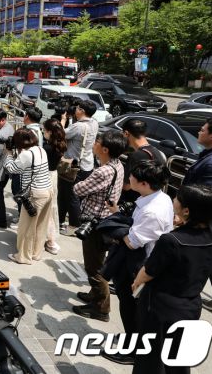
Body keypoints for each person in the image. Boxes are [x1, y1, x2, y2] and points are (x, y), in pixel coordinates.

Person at [131, 184, 212, 374]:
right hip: (190, 305)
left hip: (161, 306)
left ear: (186, 210)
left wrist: (137, 282)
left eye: (178, 198)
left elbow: (149, 271)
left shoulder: (171, 240)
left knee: (150, 359)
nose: (174, 200)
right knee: (178, 358)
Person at [101, 161, 173, 365]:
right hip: (139, 262)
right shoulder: (159, 197)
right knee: (131, 308)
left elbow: (132, 242)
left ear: (144, 183)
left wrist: (116, 226)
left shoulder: (153, 211)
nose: (128, 179)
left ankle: (134, 351)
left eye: (132, 177)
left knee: (131, 308)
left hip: (140, 267)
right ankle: (131, 338)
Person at [72, 130, 126, 322]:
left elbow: (78, 189)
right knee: (99, 261)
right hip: (106, 220)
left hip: (95, 223)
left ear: (105, 149)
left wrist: (79, 179)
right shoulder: (118, 165)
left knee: (94, 268)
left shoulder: (103, 172)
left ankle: (101, 308)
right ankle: (94, 295)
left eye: (97, 142)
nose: (94, 144)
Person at [180, 119, 212, 312]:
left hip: (204, 219)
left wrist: (186, 214)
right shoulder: (209, 156)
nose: (199, 132)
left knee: (209, 257)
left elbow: (205, 197)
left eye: (202, 130)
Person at [3, 128, 53, 264]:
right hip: (48, 191)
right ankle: (36, 253)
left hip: (35, 195)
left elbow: (12, 168)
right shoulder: (40, 149)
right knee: (41, 226)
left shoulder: (26, 155)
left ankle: (24, 257)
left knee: (26, 227)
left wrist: (8, 154)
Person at [59, 99, 100, 231]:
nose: (75, 110)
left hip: (74, 167)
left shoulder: (78, 126)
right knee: (74, 195)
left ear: (82, 111)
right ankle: (63, 219)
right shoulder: (94, 123)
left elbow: (60, 134)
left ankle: (73, 226)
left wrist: (63, 120)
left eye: (77, 108)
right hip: (87, 164)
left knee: (71, 196)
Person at [120, 119, 167, 203]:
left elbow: (126, 186)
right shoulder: (157, 152)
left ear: (126, 133)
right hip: (152, 199)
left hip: (135, 201)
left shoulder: (136, 155)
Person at [42, 119, 67, 254]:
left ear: (50, 132)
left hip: (45, 176)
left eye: (44, 130)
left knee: (43, 209)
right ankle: (50, 239)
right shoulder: (60, 145)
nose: (43, 132)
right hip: (53, 176)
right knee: (51, 208)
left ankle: (48, 240)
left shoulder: (46, 148)